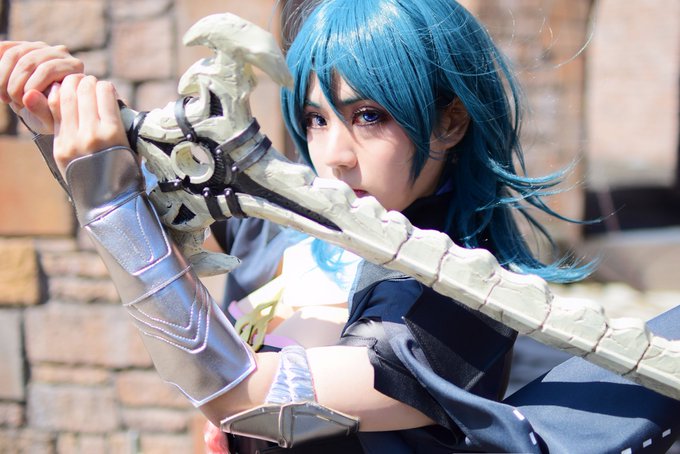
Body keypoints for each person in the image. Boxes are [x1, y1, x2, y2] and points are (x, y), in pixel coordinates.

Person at [1, 1, 679, 453]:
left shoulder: (456, 301)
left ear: (450, 122)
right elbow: (153, 224)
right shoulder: (288, 228)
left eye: (369, 117)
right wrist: (58, 121)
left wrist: (108, 202)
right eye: (317, 119)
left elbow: (239, 394)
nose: (334, 155)